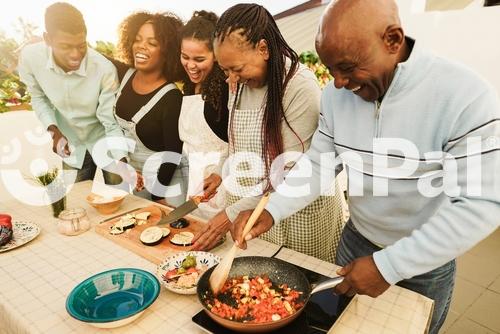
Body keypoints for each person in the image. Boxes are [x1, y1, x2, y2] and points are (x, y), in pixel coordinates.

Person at [231, 0, 500, 333]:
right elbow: (318, 165)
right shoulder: (334, 96)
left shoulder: (464, 95)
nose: (340, 83)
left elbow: (479, 203)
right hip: (355, 243)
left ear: (393, 40)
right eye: (331, 70)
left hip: (423, 263)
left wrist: (389, 266)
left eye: (347, 68)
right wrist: (272, 211)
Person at [192, 4, 345, 263]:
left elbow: (290, 173)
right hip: (251, 208)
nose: (231, 78)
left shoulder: (299, 86)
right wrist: (220, 171)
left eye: (237, 69)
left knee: (297, 286)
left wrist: (228, 215)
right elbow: (236, 140)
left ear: (263, 49)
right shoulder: (237, 83)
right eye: (225, 69)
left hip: (296, 211)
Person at [18, 2, 126, 184]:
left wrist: (122, 160)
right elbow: (38, 97)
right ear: (47, 39)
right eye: (66, 46)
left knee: (120, 201)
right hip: (71, 144)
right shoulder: (30, 57)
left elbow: (111, 121)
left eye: (81, 45)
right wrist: (54, 131)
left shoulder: (104, 69)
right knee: (75, 205)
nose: (76, 54)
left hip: (104, 140)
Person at [112, 11, 186, 206]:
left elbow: (173, 153)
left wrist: (157, 196)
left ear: (167, 52)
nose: (141, 46)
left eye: (152, 43)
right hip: (133, 178)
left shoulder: (172, 97)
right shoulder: (123, 74)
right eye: (137, 39)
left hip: (166, 184)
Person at [178, 10, 230, 220]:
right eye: (185, 56)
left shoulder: (225, 91)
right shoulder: (189, 87)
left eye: (199, 59)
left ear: (216, 55)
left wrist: (219, 174)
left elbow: (237, 145)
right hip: (196, 185)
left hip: (223, 187)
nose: (190, 65)